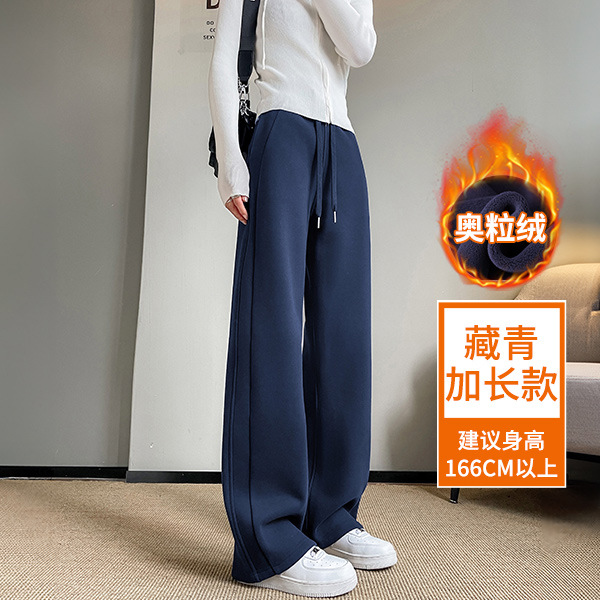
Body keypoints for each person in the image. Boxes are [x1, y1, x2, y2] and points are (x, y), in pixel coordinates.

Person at [208, 0, 397, 596]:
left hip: (342, 143)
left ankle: (331, 514)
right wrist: (231, 160)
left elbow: (360, 47)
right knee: (270, 327)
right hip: (280, 133)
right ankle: (269, 538)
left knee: (345, 336)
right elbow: (223, 58)